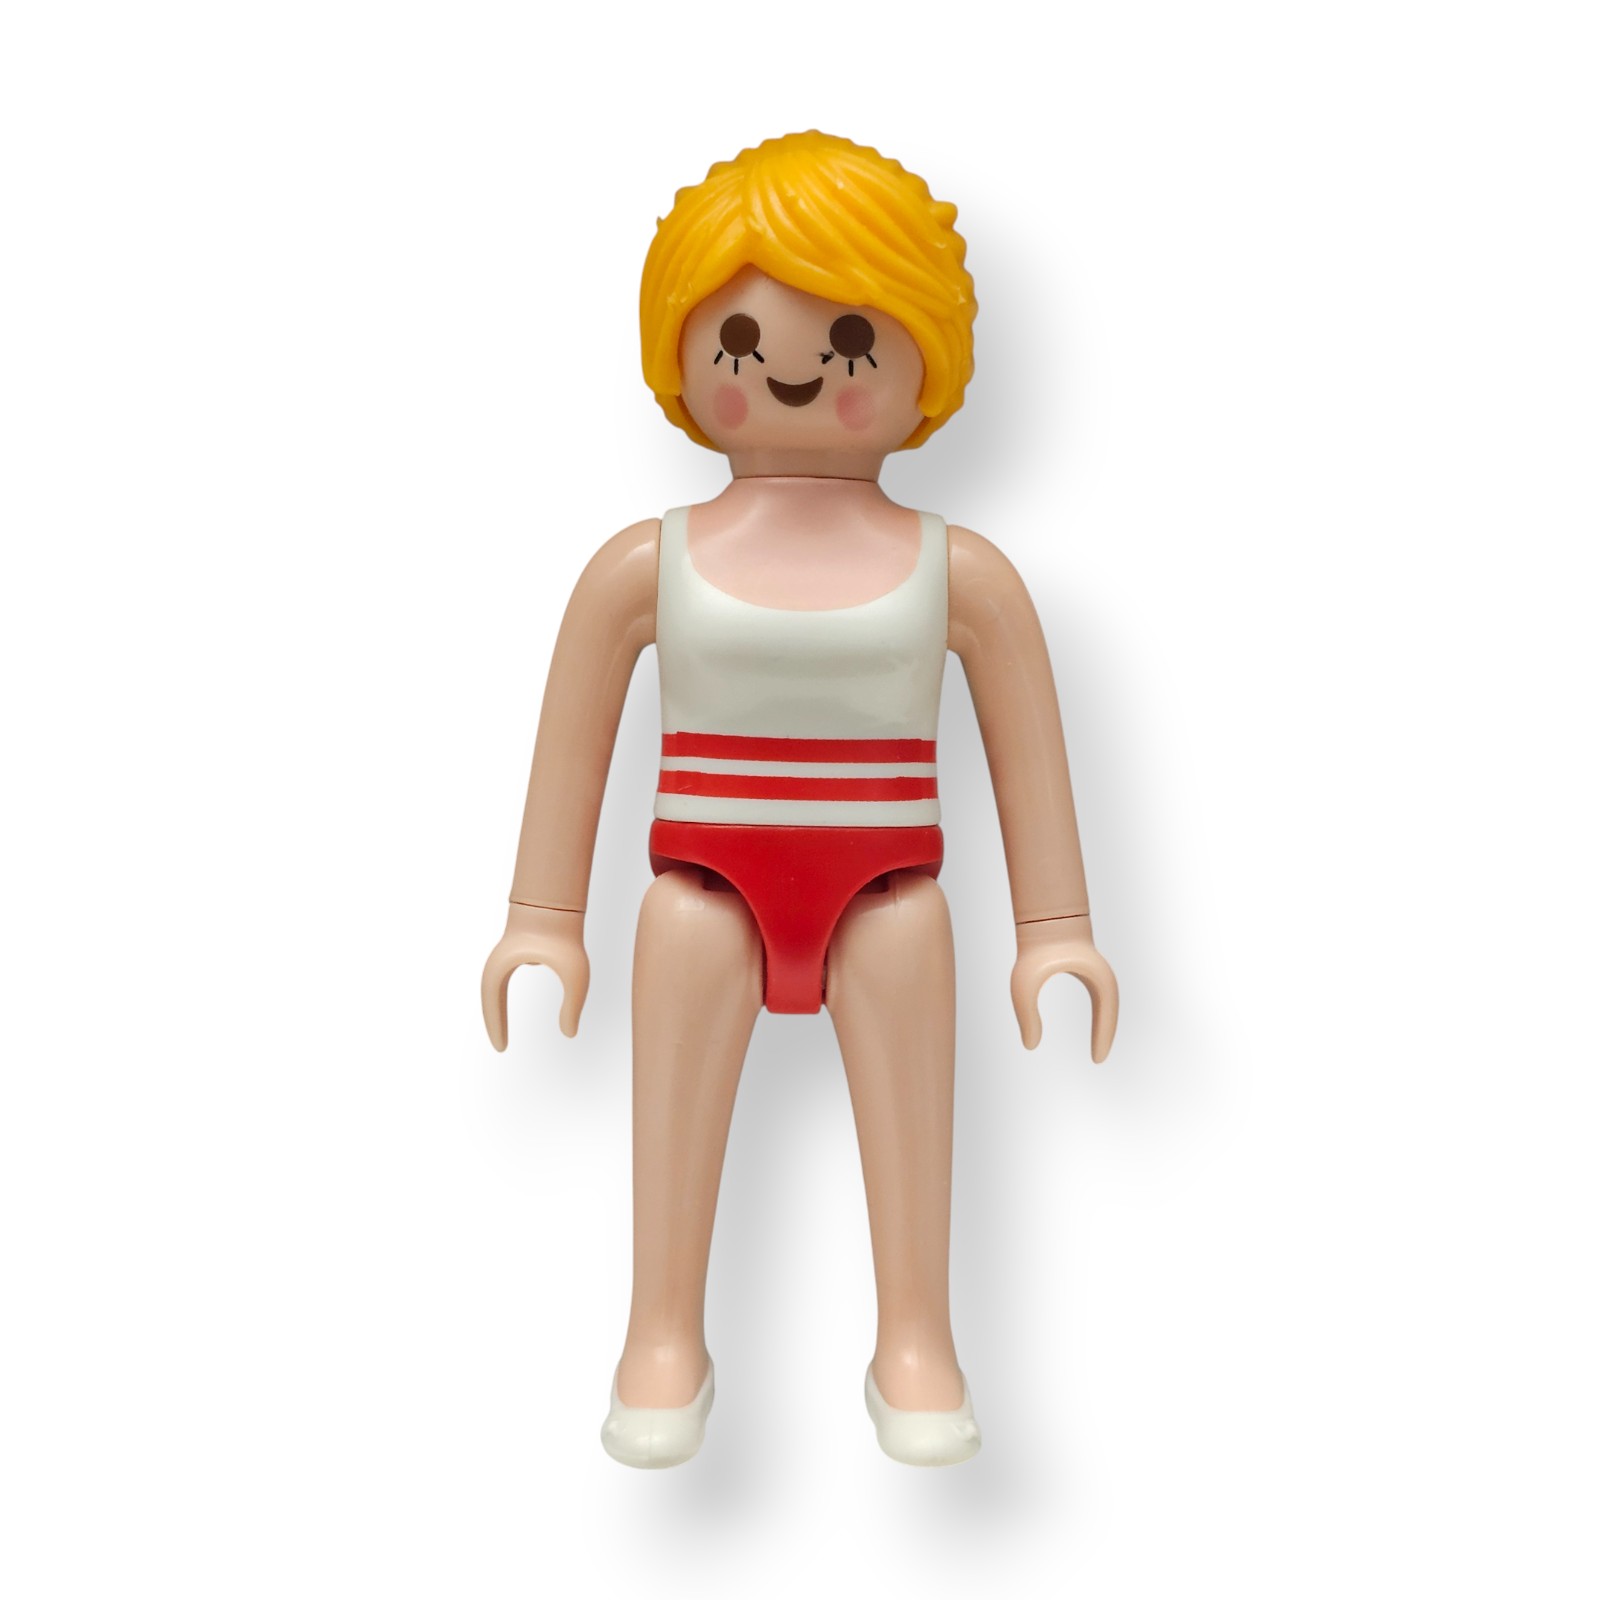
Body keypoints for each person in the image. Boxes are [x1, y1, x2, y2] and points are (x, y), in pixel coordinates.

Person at [480, 131, 1118, 1468]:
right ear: (679, 348)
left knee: (909, 1056)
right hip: (701, 884)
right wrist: (542, 916)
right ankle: (662, 1330)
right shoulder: (644, 565)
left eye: (853, 337)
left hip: (888, 888)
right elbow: (571, 744)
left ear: (925, 359)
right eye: (738, 335)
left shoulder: (964, 572)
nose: (793, 366)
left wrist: (1056, 929)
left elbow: (1030, 757)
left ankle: (917, 1336)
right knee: (678, 1036)